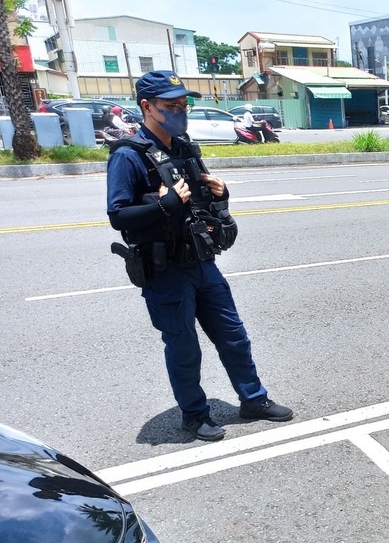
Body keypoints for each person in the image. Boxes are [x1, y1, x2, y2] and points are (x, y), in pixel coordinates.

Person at [106, 70, 292, 441]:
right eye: (170, 106)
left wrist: (220, 194)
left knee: (234, 336)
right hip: (165, 270)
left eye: (183, 104)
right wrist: (165, 205)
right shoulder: (128, 156)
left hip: (202, 261)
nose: (180, 111)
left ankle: (253, 400)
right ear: (147, 106)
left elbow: (202, 201)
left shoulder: (184, 147)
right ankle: (194, 415)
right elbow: (118, 215)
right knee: (183, 346)